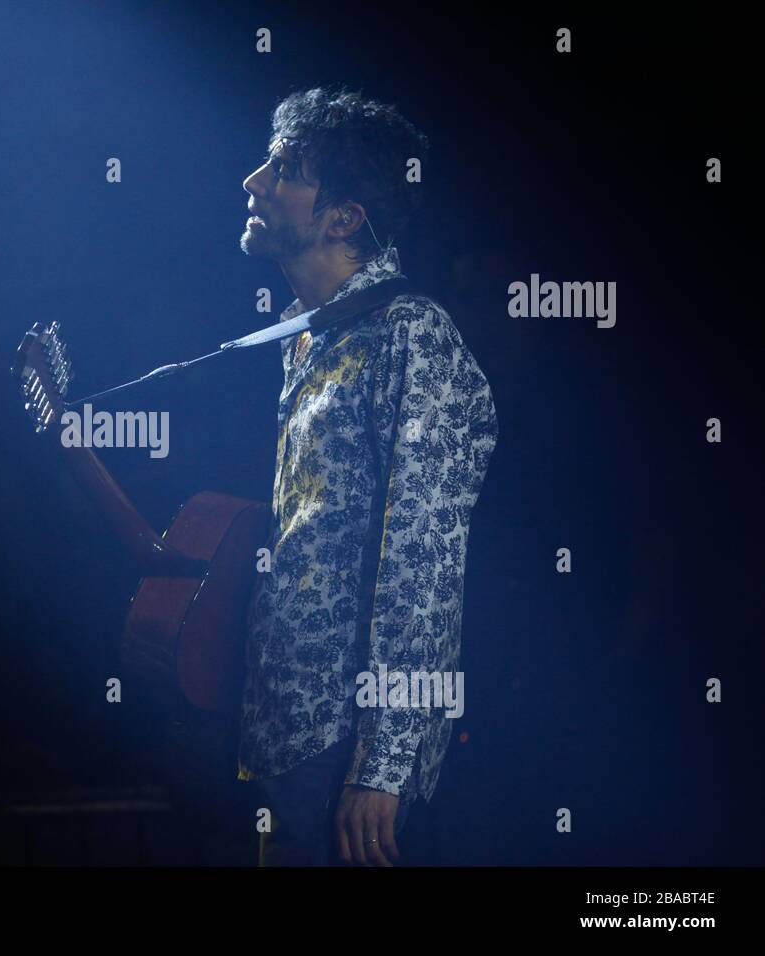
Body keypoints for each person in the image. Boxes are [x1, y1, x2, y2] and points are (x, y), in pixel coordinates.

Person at [236, 88, 498, 866]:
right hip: (280, 735)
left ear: (344, 218)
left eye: (283, 169)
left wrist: (383, 766)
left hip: (342, 751)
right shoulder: (313, 341)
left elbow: (424, 567)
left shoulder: (413, 336)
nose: (255, 180)